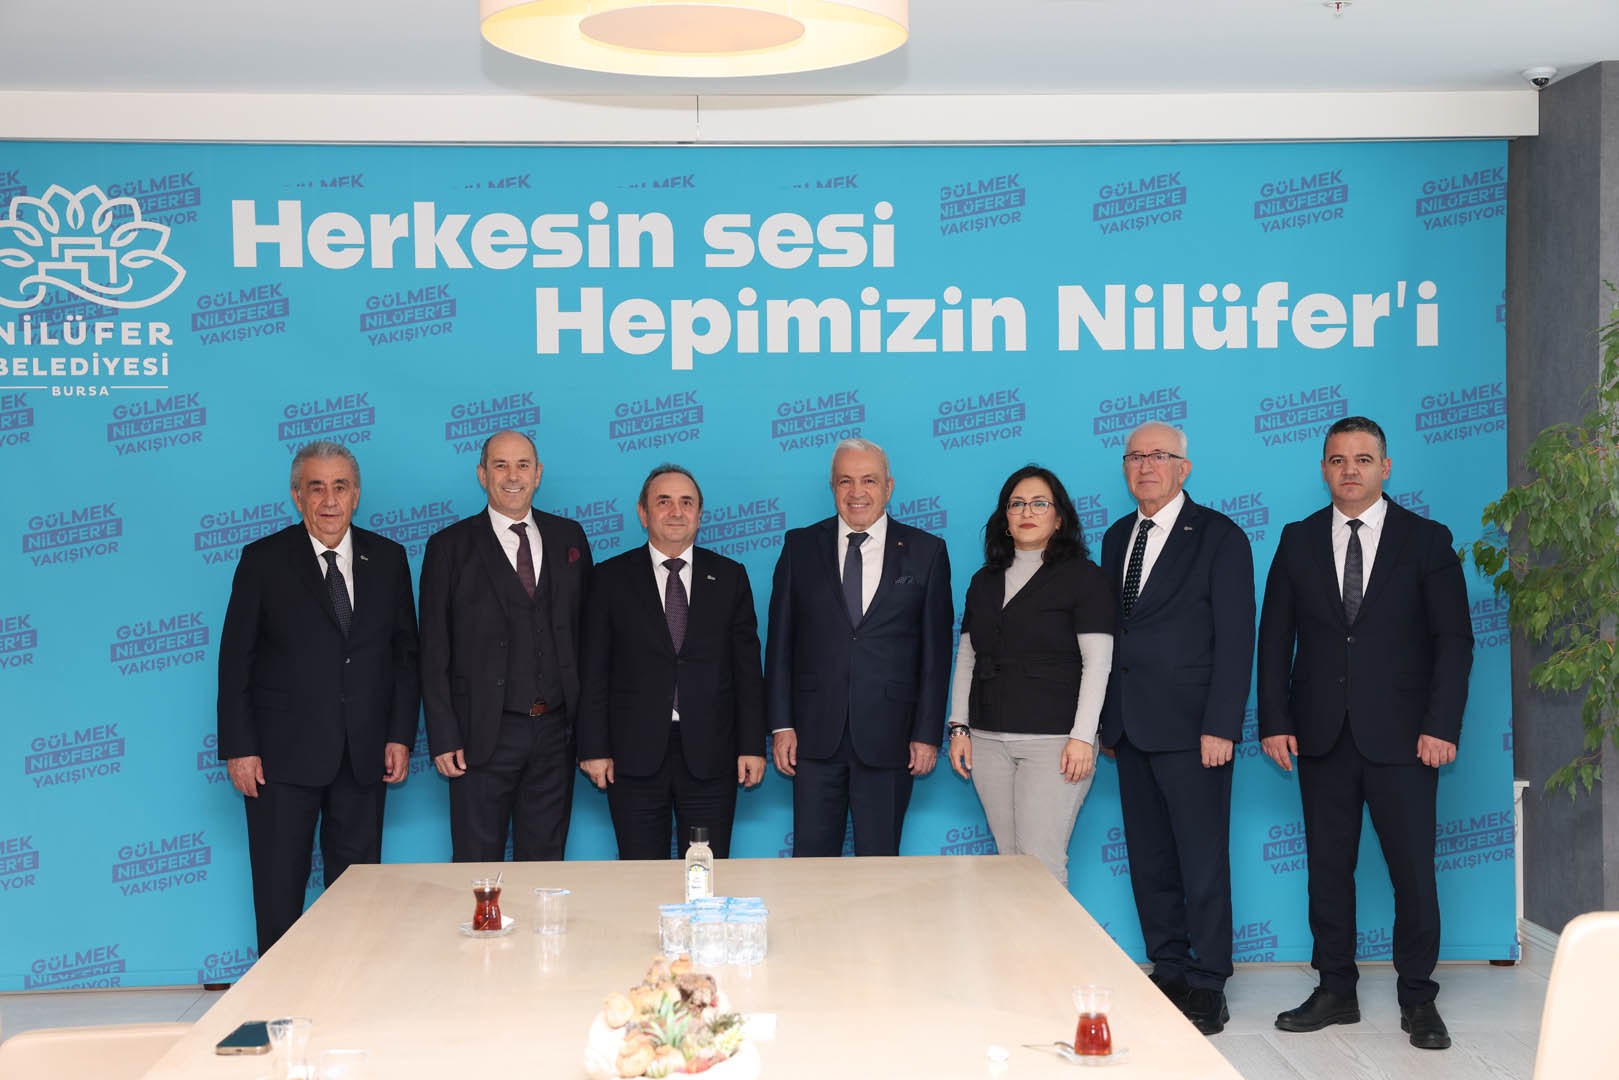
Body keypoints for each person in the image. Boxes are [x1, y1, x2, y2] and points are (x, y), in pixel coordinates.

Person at [1258, 415, 1473, 1051]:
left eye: (1362, 459)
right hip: (1320, 735)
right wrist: (1275, 720)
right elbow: (1274, 639)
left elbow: (1454, 642)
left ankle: (1418, 998)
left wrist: (1441, 725)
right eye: (1337, 459)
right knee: (1328, 870)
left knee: (1413, 873)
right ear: (1324, 469)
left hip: (1407, 739)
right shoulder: (1297, 539)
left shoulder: (1427, 540)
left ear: (1385, 467)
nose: (1349, 470)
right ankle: (1336, 990)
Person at [217, 440, 420, 955]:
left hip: (364, 756)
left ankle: (348, 989)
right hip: (279, 761)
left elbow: (404, 658)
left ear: (356, 494)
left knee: (357, 894)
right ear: (296, 496)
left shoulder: (389, 559)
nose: (329, 500)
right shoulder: (263, 560)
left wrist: (399, 736)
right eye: (316, 488)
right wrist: (240, 748)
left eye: (340, 487)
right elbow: (235, 660)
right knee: (278, 892)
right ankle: (278, 993)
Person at [1098, 421, 1254, 1035]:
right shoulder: (1116, 536)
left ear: (1183, 468)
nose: (1145, 466)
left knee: (1202, 860)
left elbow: (1236, 638)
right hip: (1129, 727)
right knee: (1150, 858)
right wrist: (1108, 721)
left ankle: (1209, 979)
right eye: (1135, 457)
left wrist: (1222, 725)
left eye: (1158, 456)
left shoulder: (1219, 536)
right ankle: (1168, 966)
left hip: (1195, 731)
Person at [765, 437, 953, 857]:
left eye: (868, 480)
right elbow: (779, 645)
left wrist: (927, 734)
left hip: (891, 737)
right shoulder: (799, 547)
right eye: (845, 481)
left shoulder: (926, 552)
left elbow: (936, 655)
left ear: (888, 487)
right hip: (812, 738)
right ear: (833, 487)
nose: (857, 492)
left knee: (880, 866)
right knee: (812, 864)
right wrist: (781, 725)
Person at [577, 464, 767, 859]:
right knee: (640, 873)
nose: (676, 512)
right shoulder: (609, 578)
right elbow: (593, 669)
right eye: (663, 502)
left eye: (686, 502)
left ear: (699, 514)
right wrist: (594, 747)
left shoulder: (730, 576)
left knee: (705, 873)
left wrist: (752, 746)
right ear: (643, 513)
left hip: (712, 757)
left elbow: (747, 671)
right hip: (632, 757)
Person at [419, 429, 592, 861]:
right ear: (482, 475)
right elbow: (433, 651)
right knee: (476, 865)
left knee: (545, 865)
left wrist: (590, 732)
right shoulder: (448, 547)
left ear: (538, 474)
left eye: (522, 465)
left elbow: (587, 638)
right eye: (500, 465)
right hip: (478, 736)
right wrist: (443, 735)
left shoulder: (569, 537)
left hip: (556, 734)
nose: (512, 476)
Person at [946, 464, 1114, 886]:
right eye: (1017, 504)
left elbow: (1098, 662)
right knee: (1009, 862)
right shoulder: (983, 581)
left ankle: (1052, 937)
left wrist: (1083, 736)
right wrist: (959, 727)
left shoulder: (1084, 578)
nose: (1027, 512)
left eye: (1040, 503)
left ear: (1059, 519)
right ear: (1004, 518)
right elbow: (967, 657)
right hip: (987, 740)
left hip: (1055, 742)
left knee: (1040, 863)